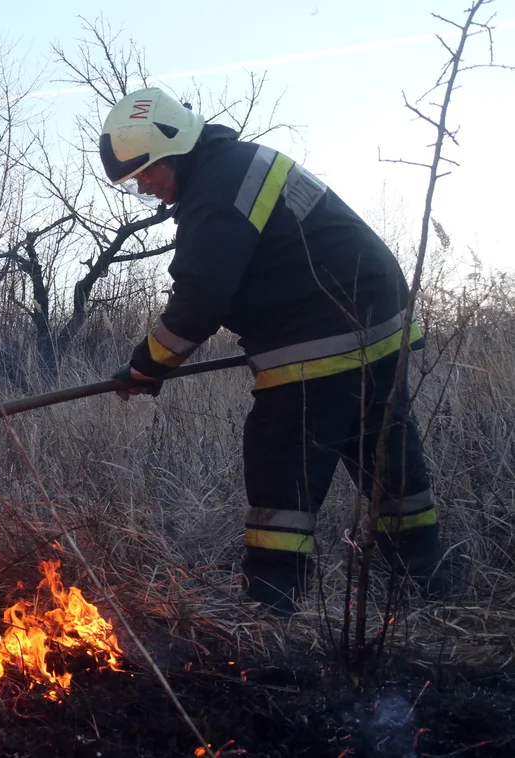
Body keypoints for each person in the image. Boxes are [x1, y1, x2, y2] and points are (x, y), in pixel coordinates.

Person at [97, 87, 450, 615]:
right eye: (135, 180)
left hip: (321, 337)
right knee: (389, 465)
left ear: (177, 146)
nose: (145, 187)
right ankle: (431, 594)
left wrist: (145, 368)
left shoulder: (217, 191)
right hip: (378, 327)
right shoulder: (238, 166)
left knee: (280, 464)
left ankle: (269, 610)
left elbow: (200, 301)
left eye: (147, 172)